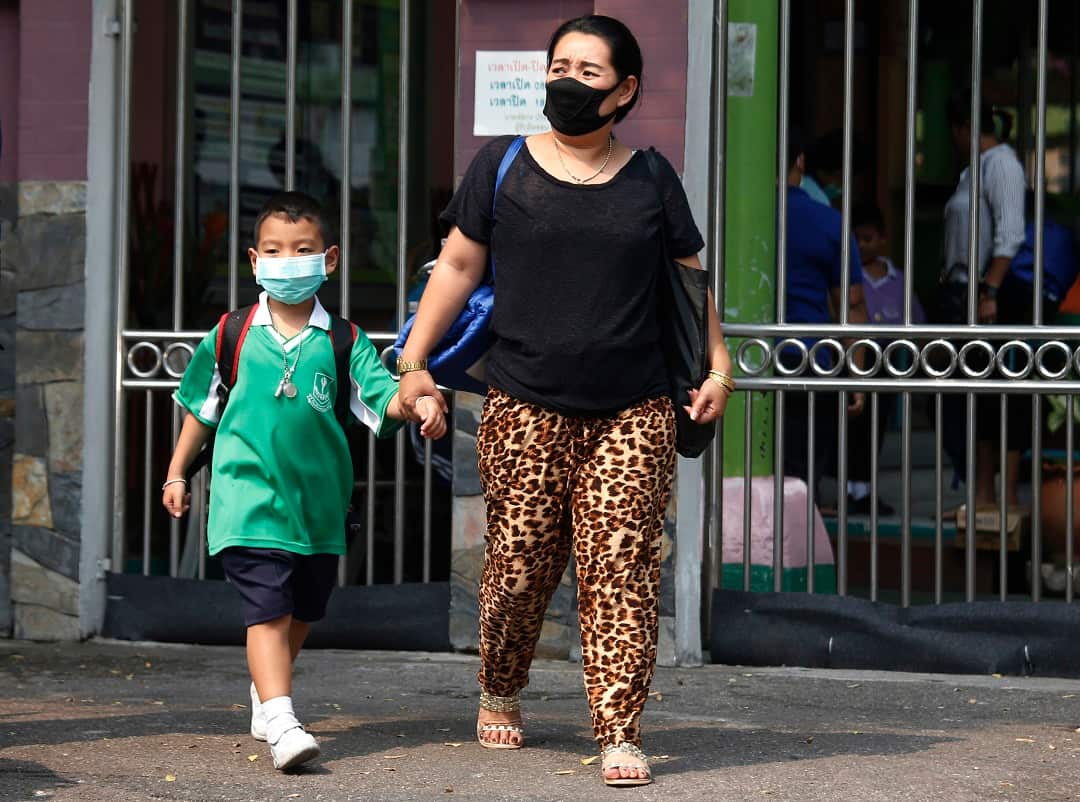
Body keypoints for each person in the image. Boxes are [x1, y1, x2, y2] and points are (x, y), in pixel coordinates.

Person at [394, 15, 733, 788]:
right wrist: (412, 363)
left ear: (626, 91)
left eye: (588, 72)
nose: (568, 83)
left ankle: (619, 728)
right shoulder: (502, 165)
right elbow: (455, 267)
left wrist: (718, 364)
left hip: (634, 407)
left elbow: (690, 282)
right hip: (525, 403)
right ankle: (501, 684)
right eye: (560, 66)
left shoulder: (651, 179)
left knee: (619, 567)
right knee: (517, 567)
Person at [161, 192, 446, 770]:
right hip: (246, 499)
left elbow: (379, 399)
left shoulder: (344, 341)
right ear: (254, 259)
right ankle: (283, 721)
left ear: (330, 259)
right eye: (274, 250)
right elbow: (201, 410)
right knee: (266, 608)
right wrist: (176, 472)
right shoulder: (231, 333)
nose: (287, 260)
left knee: (302, 611)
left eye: (302, 250)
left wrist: (413, 403)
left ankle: (266, 692)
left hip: (318, 507)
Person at [939, 90, 1026, 506]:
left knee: (991, 397)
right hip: (961, 292)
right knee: (966, 396)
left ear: (963, 129)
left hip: (987, 294)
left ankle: (997, 494)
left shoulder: (1002, 165)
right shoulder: (976, 168)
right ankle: (980, 491)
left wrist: (989, 291)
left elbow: (1010, 234)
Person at [781, 130, 867, 492]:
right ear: (800, 162)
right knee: (802, 480)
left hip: (743, 358)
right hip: (811, 362)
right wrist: (857, 372)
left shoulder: (732, 215)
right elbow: (850, 303)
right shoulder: (828, 221)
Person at [846, 204, 927, 515]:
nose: (863, 245)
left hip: (888, 361)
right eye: (858, 239)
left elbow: (917, 323)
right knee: (854, 428)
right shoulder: (851, 275)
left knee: (876, 427)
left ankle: (865, 490)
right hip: (856, 357)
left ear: (882, 240)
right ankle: (852, 490)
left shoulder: (898, 279)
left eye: (869, 239)